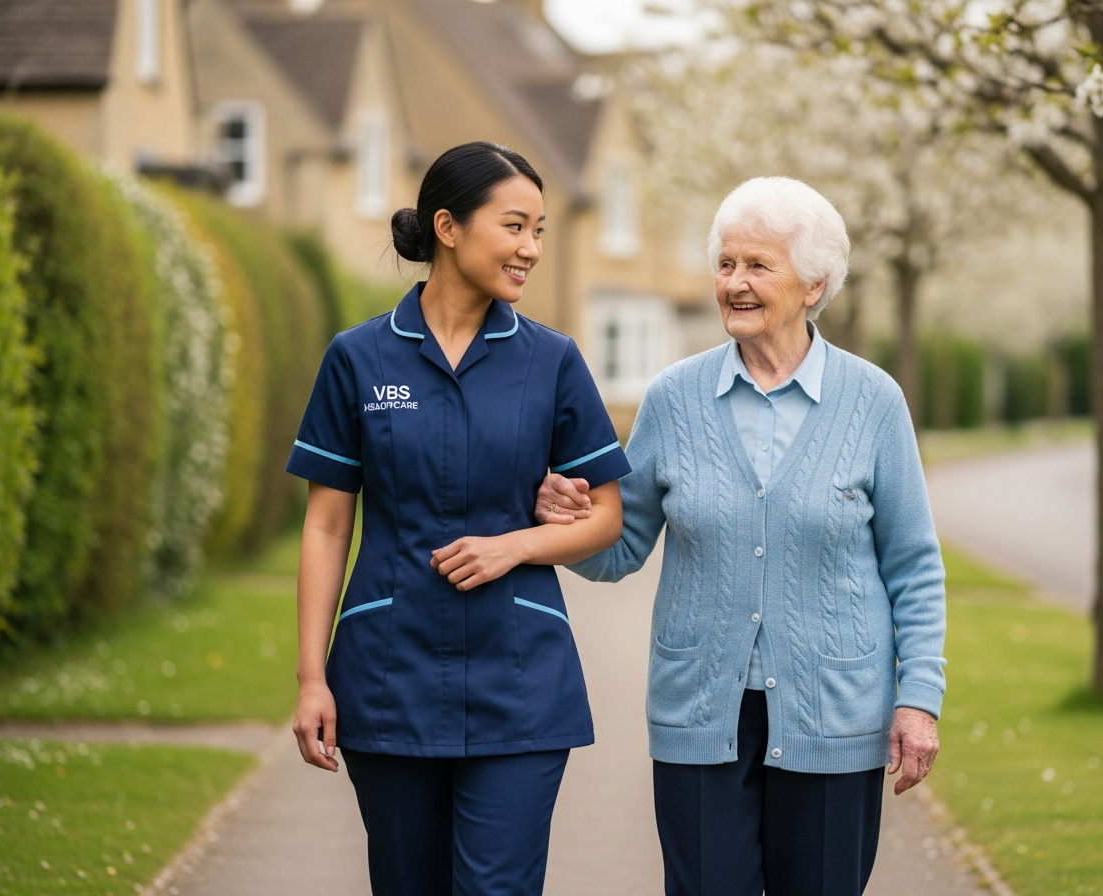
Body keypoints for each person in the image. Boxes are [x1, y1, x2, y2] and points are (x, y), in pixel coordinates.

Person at [537, 177, 946, 896]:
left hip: (834, 716)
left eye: (759, 266)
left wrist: (919, 699)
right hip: (700, 712)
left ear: (815, 285)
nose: (735, 283)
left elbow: (912, 567)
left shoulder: (874, 401)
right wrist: (568, 521)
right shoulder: (674, 398)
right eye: (726, 265)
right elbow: (622, 546)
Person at [286, 142, 631, 896]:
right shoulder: (358, 359)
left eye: (540, 230)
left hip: (521, 677)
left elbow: (606, 516)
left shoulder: (552, 361)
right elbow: (326, 526)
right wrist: (313, 678)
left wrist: (516, 545)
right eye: (515, 226)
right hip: (386, 675)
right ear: (448, 226)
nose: (531, 249)